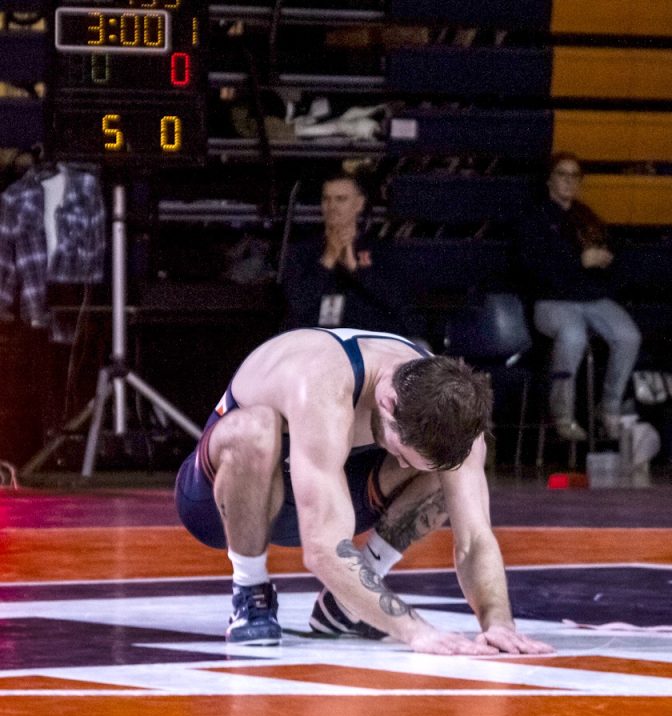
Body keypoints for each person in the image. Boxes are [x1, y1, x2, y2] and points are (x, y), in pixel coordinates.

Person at [174, 327, 553, 654]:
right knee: (253, 429)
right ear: (388, 403)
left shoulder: (450, 409)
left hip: (330, 488)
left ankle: (345, 606)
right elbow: (322, 549)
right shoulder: (322, 382)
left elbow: (474, 539)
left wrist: (498, 622)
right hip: (222, 504)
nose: (401, 465)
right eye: (403, 454)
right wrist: (414, 631)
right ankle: (250, 591)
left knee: (446, 474)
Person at [516, 152, 642, 441]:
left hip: (590, 297)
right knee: (573, 337)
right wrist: (579, 262)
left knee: (628, 336)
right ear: (549, 180)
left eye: (575, 176)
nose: (569, 181)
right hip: (552, 300)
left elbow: (613, 258)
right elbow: (533, 267)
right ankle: (562, 415)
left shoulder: (587, 218)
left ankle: (609, 409)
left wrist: (604, 261)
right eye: (562, 174)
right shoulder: (535, 219)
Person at [279, 172, 425, 340]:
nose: (332, 206)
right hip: (315, 342)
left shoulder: (381, 250)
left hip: (370, 341)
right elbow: (296, 304)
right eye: (326, 199)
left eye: (341, 199)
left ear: (359, 203)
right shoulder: (302, 251)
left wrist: (356, 269)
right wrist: (328, 260)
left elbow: (401, 305)